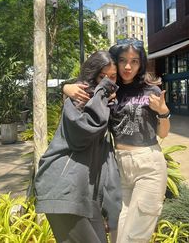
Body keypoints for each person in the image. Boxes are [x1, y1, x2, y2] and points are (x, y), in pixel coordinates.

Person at [63, 39, 171, 243]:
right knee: (118, 230)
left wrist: (163, 113)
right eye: (122, 60)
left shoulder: (151, 90)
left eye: (134, 61)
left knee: (136, 234)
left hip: (148, 164)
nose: (128, 66)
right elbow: (80, 100)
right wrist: (66, 87)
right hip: (117, 165)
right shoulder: (108, 89)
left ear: (141, 63)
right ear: (116, 61)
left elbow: (163, 134)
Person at [34, 51, 121, 243]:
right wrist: (101, 90)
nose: (108, 82)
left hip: (87, 196)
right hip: (63, 189)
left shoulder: (104, 104)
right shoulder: (79, 100)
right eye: (102, 77)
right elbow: (84, 132)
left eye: (113, 77)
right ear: (92, 76)